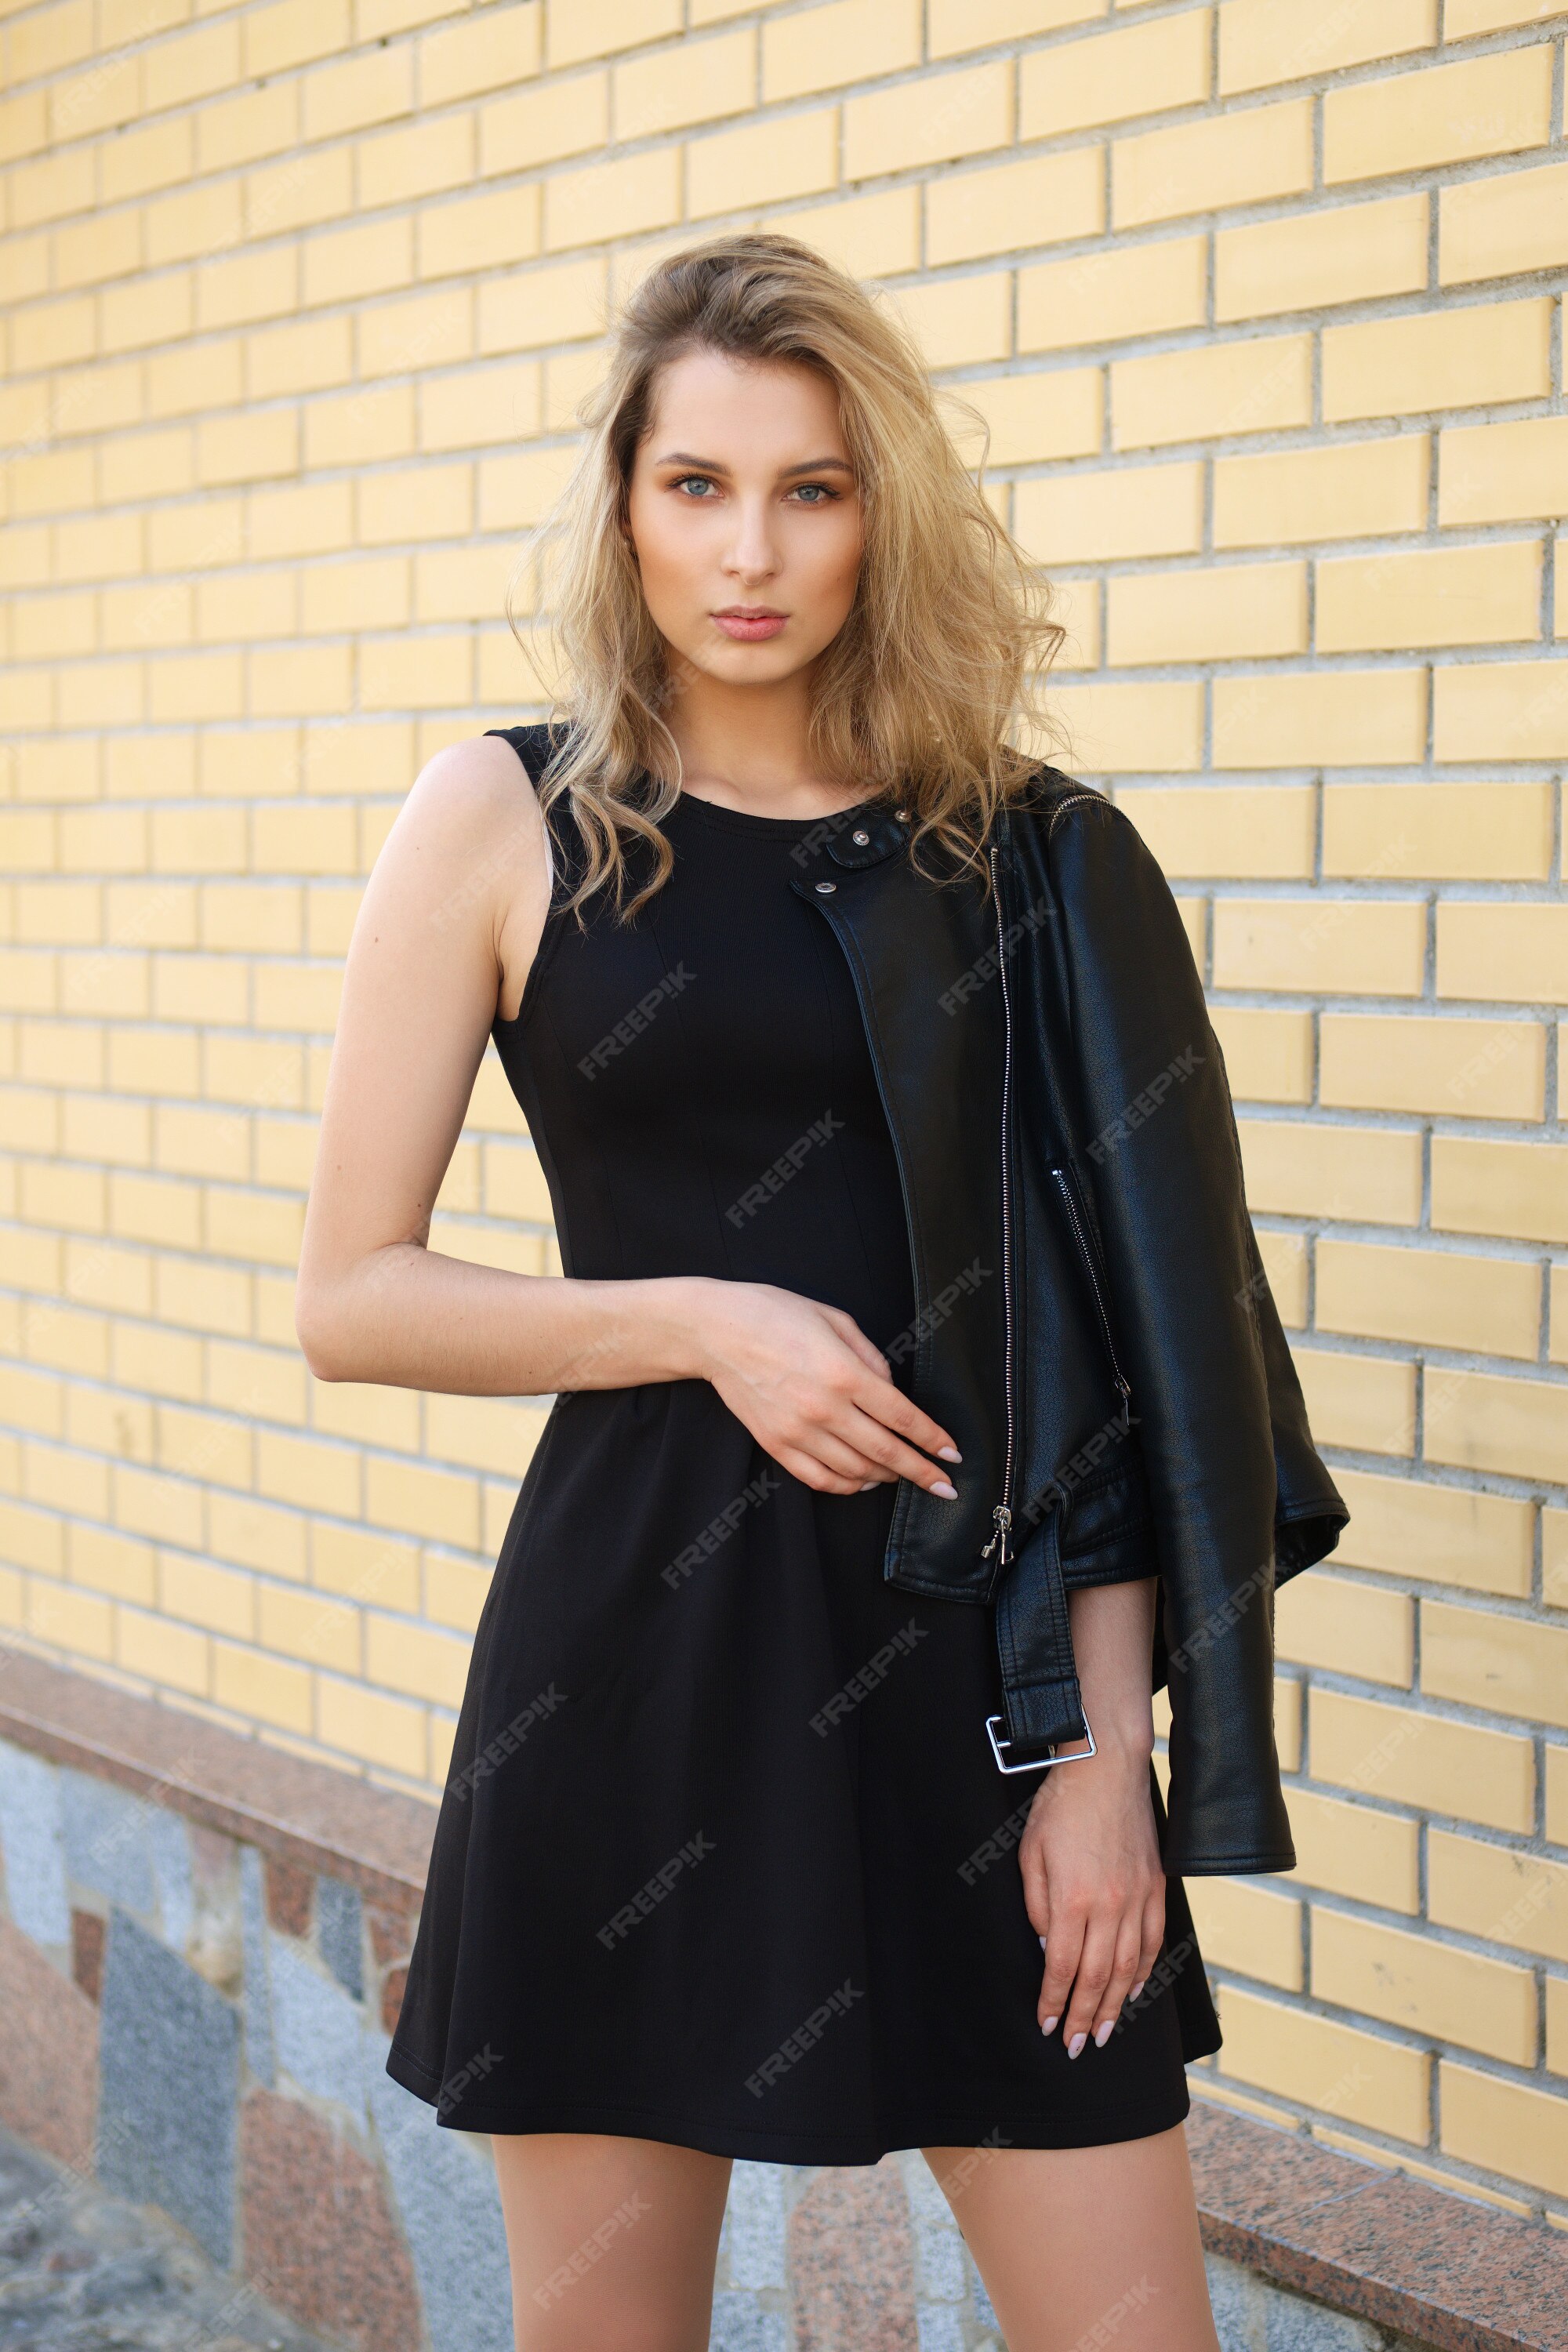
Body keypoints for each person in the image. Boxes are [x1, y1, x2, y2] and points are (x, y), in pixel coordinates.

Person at [295, 230, 1333, 2352]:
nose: (749, 550)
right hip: (629, 1671)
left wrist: (1100, 1753)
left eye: (813, 488)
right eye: (697, 486)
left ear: (885, 513)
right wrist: (702, 1317)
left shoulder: (1026, 857)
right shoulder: (508, 820)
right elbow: (355, 1296)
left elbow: (1121, 1348)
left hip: (984, 1680)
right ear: (623, 504)